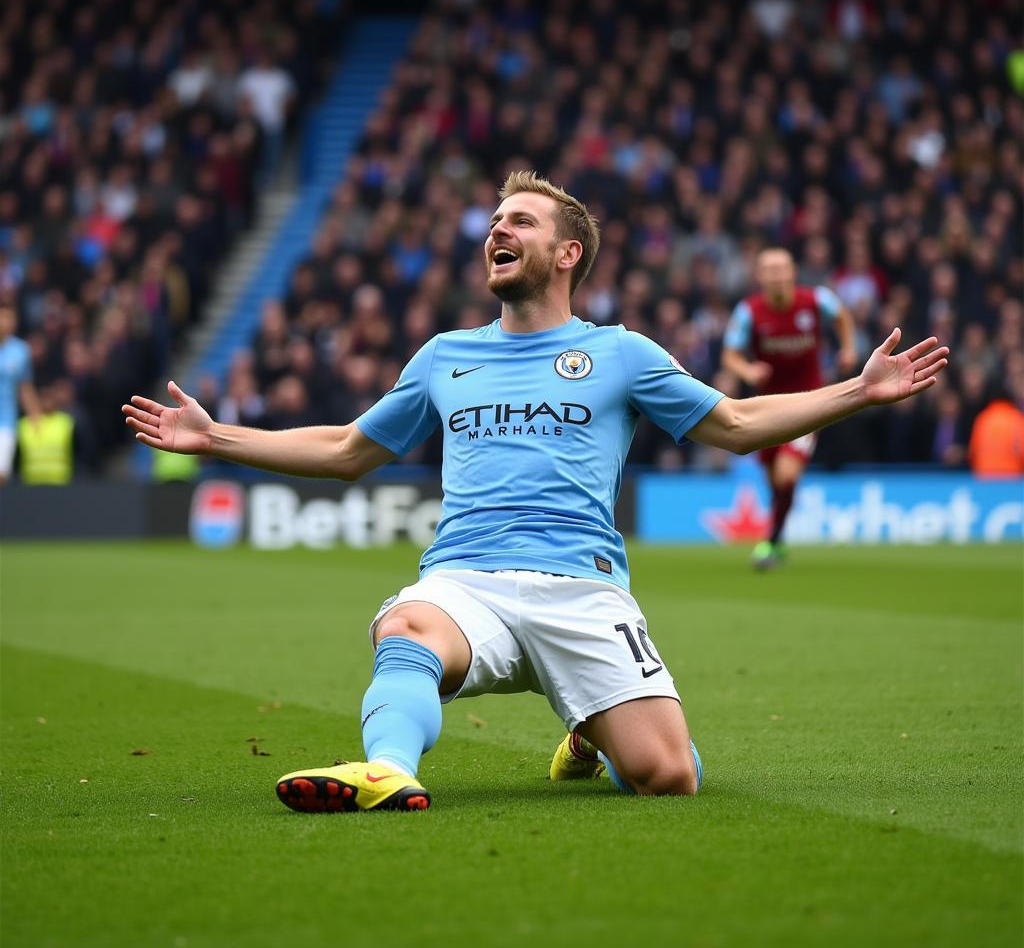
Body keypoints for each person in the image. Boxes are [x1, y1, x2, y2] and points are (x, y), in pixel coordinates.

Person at [123, 172, 948, 812]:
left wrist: (857, 391)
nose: (496, 231)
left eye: (519, 221)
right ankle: (387, 771)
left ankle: (587, 728)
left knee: (669, 778)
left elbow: (733, 421)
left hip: (584, 588)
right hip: (466, 581)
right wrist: (214, 438)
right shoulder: (446, 354)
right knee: (404, 621)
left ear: (567, 254)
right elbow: (346, 449)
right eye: (493, 223)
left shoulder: (621, 352)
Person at [722, 248, 858, 569]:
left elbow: (842, 316)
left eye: (782, 267)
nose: (777, 274)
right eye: (769, 269)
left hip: (810, 403)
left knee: (786, 475)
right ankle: (779, 538)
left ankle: (770, 543)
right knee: (774, 482)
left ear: (793, 272)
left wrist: (849, 347)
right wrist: (748, 372)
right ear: (760, 276)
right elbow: (730, 355)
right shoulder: (749, 312)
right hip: (766, 406)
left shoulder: (816, 300)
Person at [0, 303, 41, 484]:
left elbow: (25, 387)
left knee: (2, 473)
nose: (5, 322)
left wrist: (35, 415)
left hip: (6, 422)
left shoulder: (20, 351)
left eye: (9, 318)